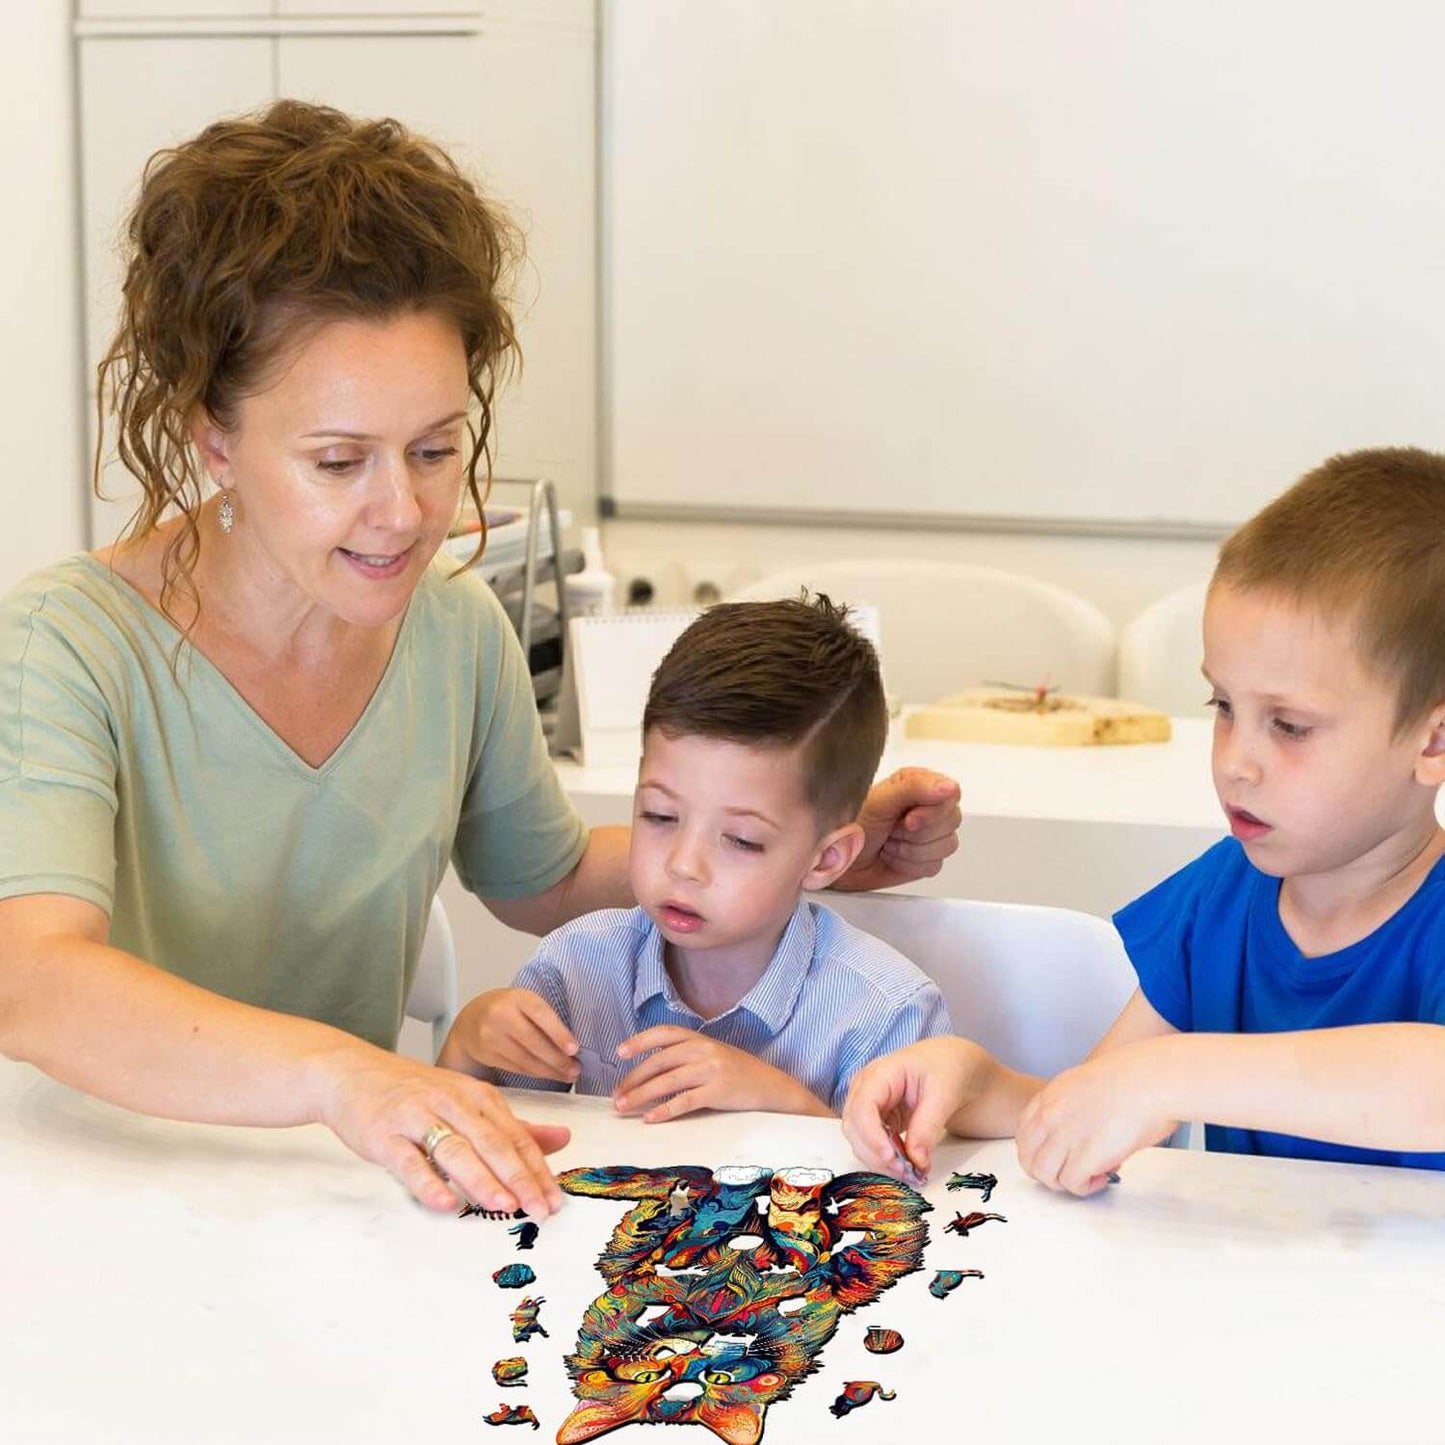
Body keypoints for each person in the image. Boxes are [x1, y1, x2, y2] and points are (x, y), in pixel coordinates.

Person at [0, 101, 963, 1217]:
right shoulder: (63, 644)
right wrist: (343, 1072)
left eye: (434, 448)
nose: (401, 511)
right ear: (214, 439)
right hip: (73, 1194)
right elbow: (33, 977)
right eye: (337, 459)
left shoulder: (451, 625)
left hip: (323, 1192)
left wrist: (794, 840)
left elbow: (539, 876)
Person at [844, 447, 1445, 1194]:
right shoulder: (1219, 896)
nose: (1235, 761)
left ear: (1432, 741)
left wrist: (1176, 1072)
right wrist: (975, 1080)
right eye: (1222, 707)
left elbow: (1429, 1084)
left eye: (1288, 725)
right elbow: (1101, 1102)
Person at [442, 595, 954, 1118]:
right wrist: (467, 1046)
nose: (683, 865)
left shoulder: (886, 1012)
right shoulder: (575, 967)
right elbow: (473, 1140)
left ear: (826, 860)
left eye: (741, 841)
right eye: (660, 816)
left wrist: (778, 1101)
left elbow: (901, 1195)